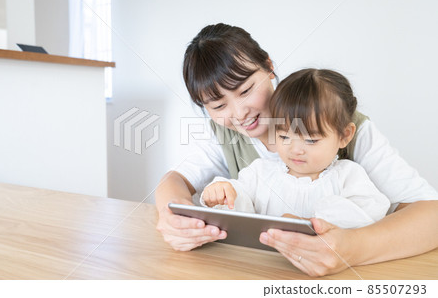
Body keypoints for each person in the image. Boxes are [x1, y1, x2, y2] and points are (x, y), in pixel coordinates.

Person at [155, 23, 438, 276]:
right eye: (218, 106)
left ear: (268, 66)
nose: (239, 112)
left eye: (245, 90)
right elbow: (174, 181)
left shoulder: (340, 123)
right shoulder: (226, 133)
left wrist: (350, 248)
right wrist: (174, 220)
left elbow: (431, 216)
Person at [200, 68, 391, 229]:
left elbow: (370, 214)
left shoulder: (349, 176)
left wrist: (311, 223)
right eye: (284, 136)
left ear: (344, 136)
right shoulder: (261, 172)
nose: (295, 150)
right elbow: (240, 202)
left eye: (311, 140)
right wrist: (223, 192)